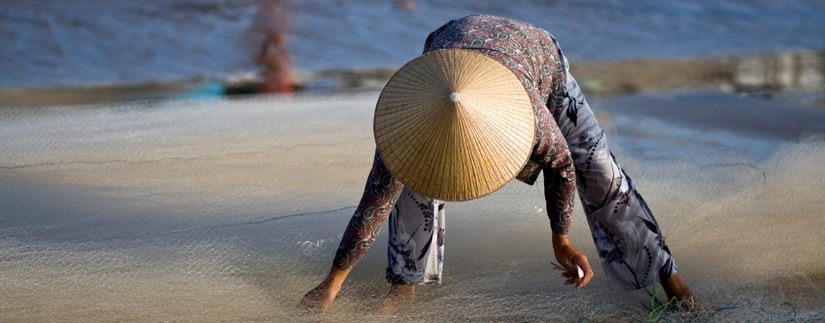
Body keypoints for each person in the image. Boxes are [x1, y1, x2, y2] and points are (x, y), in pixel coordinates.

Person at [300, 14, 697, 312]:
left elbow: (562, 166)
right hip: (447, 60)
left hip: (539, 59)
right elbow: (374, 205)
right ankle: (404, 288)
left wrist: (561, 239)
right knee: (407, 178)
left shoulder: (532, 117)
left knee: (602, 174)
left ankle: (676, 286)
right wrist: (332, 283)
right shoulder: (407, 120)